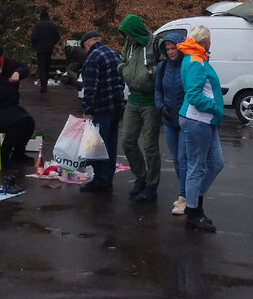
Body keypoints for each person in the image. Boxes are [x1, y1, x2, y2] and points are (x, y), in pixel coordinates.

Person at [178, 25, 224, 233]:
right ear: (205, 41)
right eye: (210, 39)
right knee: (197, 166)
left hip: (205, 120)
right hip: (198, 120)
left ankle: (195, 202)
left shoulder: (196, 57)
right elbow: (195, 96)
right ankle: (193, 212)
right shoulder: (196, 61)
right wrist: (215, 107)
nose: (211, 43)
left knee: (215, 163)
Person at [117, 13, 161, 203]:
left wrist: (150, 73)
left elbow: (164, 65)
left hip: (150, 101)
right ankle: (141, 175)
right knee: (127, 140)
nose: (127, 38)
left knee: (150, 145)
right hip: (133, 100)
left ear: (136, 31)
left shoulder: (154, 44)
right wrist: (124, 71)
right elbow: (121, 63)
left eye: (128, 34)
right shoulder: (129, 45)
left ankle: (151, 185)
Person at [78, 30, 125, 193]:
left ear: (88, 44)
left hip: (101, 108)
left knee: (98, 147)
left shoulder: (92, 58)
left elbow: (90, 88)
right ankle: (107, 178)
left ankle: (100, 181)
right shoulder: (115, 53)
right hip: (116, 107)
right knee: (111, 145)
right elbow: (121, 79)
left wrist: (87, 109)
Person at [154, 30, 187, 215]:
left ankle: (183, 198)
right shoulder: (162, 67)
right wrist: (160, 107)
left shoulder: (188, 65)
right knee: (175, 159)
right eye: (167, 49)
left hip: (184, 120)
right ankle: (185, 193)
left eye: (173, 48)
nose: (170, 52)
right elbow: (157, 90)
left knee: (183, 159)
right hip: (168, 120)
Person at [30, 8, 60, 94]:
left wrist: (35, 45)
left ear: (41, 16)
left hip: (40, 49)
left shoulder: (38, 25)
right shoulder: (53, 25)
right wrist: (52, 43)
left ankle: (43, 86)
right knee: (47, 66)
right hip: (49, 49)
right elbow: (57, 37)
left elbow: (34, 36)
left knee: (42, 67)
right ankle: (45, 83)